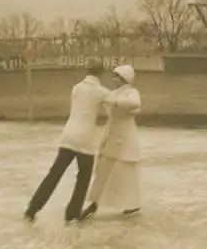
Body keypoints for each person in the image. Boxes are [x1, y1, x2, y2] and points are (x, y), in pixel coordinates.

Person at [24, 60, 110, 225]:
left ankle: (33, 208)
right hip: (85, 139)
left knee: (54, 174)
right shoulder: (101, 92)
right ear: (100, 75)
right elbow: (113, 104)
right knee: (83, 177)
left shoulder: (76, 88)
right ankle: (72, 214)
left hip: (68, 135)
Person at [81, 65, 142, 220]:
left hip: (126, 135)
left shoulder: (131, 92)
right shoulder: (112, 93)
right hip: (111, 133)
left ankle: (131, 203)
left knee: (124, 171)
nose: (113, 79)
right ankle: (94, 203)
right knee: (103, 169)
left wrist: (115, 102)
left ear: (124, 79)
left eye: (117, 76)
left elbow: (134, 103)